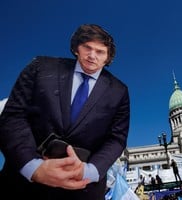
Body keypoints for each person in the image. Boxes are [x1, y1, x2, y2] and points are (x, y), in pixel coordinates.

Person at [0, 24, 130, 200]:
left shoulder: (119, 91)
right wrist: (33, 167)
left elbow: (116, 139)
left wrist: (89, 171)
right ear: (77, 48)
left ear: (108, 58)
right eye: (87, 48)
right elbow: (14, 116)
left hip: (83, 190)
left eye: (100, 52)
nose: (92, 56)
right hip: (23, 185)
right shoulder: (40, 67)